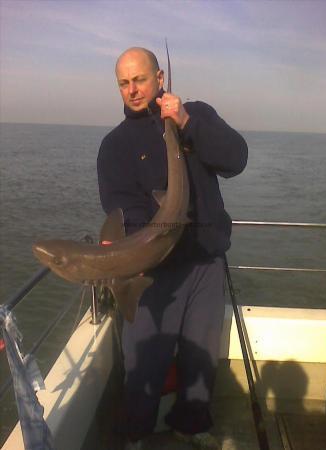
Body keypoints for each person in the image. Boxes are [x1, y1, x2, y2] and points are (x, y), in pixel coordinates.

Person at [97, 47, 248, 450]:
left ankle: (192, 426)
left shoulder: (196, 115)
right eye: (123, 83)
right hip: (153, 272)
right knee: (144, 361)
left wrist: (186, 122)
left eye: (140, 80)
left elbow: (236, 159)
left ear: (160, 78)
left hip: (205, 263)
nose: (132, 90)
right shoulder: (114, 145)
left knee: (201, 359)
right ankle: (135, 436)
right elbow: (121, 208)